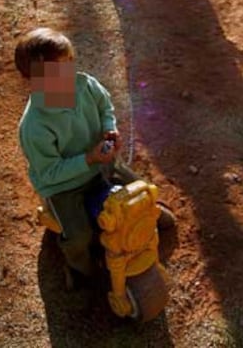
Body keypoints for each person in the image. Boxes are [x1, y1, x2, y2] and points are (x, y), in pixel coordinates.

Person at [15, 27, 175, 286]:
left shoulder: (85, 85)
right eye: (56, 71)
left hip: (101, 165)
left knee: (141, 190)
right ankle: (80, 269)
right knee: (80, 235)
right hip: (64, 187)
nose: (67, 75)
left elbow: (105, 106)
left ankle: (152, 212)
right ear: (33, 81)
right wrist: (87, 160)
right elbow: (50, 173)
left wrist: (109, 128)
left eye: (69, 62)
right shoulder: (34, 127)